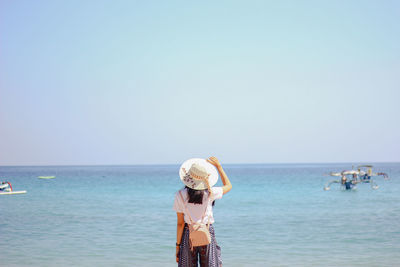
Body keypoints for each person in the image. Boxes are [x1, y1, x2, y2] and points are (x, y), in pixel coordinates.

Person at [173, 156, 232, 267]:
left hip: (188, 232)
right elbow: (228, 186)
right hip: (207, 232)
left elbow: (180, 223)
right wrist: (219, 167)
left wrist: (177, 247)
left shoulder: (180, 195)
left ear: (188, 178)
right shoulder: (210, 192)